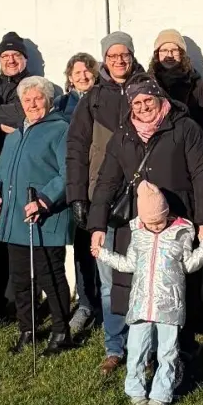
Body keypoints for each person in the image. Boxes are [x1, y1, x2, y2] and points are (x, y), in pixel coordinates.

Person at [87, 76, 203, 377]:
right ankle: (144, 352)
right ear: (130, 106)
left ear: (160, 99)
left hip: (178, 223)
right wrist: (97, 224)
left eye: (149, 100)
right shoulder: (122, 136)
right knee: (139, 287)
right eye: (137, 102)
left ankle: (180, 351)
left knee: (179, 287)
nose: (144, 107)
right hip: (139, 226)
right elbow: (107, 181)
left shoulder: (184, 128)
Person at [94, 181, 203, 405]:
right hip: (140, 306)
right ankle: (136, 393)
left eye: (159, 221)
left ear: (167, 214)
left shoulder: (181, 233)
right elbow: (128, 264)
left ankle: (160, 396)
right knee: (137, 350)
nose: (156, 227)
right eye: (151, 223)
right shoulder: (138, 235)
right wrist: (103, 254)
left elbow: (188, 264)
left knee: (167, 353)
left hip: (169, 306)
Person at [66, 30, 145, 359]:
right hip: (105, 196)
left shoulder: (149, 88)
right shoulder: (93, 98)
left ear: (132, 55)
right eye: (112, 56)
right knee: (110, 279)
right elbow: (76, 147)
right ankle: (116, 347)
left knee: (144, 276)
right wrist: (77, 195)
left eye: (123, 54)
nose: (118, 60)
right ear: (104, 60)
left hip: (146, 197)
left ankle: (146, 343)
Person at [0, 77, 74, 354]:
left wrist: (45, 199)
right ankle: (28, 328)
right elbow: (1, 173)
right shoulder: (14, 135)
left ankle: (62, 331)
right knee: (21, 280)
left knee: (50, 276)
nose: (32, 104)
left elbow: (68, 172)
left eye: (38, 98)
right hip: (14, 219)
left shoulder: (60, 129)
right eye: (27, 99)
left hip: (45, 217)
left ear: (48, 100)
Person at [55, 52, 100, 329]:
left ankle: (107, 306)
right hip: (74, 182)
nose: (82, 76)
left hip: (101, 181)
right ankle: (85, 304)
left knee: (104, 247)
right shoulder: (61, 105)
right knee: (83, 248)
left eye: (87, 71)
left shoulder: (104, 100)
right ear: (69, 77)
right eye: (77, 72)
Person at [149, 29, 203, 139]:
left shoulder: (196, 83)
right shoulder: (148, 83)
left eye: (174, 50)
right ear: (157, 54)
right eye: (164, 50)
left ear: (182, 54)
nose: (169, 55)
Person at [0, 31, 31, 134]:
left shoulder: (35, 85)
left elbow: (23, 112)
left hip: (18, 146)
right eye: (5, 56)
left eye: (16, 55)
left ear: (25, 59)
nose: (11, 60)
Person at [55, 53, 97, 118]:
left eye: (86, 71)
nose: (83, 77)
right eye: (78, 73)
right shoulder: (61, 102)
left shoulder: (106, 98)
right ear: (70, 78)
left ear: (94, 74)